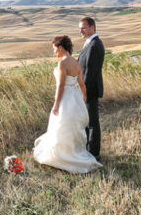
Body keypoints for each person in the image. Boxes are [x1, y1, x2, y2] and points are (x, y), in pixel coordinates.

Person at [32, 35, 103, 174]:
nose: (54, 52)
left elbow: (61, 86)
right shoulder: (76, 63)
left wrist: (56, 104)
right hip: (75, 98)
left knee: (61, 125)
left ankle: (62, 157)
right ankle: (74, 153)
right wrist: (83, 98)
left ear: (60, 47)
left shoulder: (62, 63)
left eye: (54, 48)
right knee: (71, 127)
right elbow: (81, 84)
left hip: (65, 99)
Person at [78, 16, 104, 159]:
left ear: (92, 27)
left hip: (90, 90)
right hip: (86, 89)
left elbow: (90, 72)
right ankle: (89, 149)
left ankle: (94, 153)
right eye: (80, 28)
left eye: (83, 28)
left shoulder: (94, 45)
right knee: (88, 121)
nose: (80, 31)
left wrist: (84, 91)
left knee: (93, 122)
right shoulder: (89, 43)